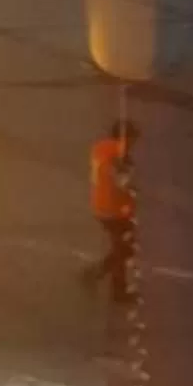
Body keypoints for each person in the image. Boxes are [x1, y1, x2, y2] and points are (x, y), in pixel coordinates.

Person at [81, 118, 139, 301]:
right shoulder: (118, 154)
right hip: (113, 210)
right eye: (132, 138)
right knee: (124, 249)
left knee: (122, 248)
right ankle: (102, 279)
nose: (134, 143)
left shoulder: (101, 148)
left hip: (101, 206)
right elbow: (120, 179)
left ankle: (107, 282)